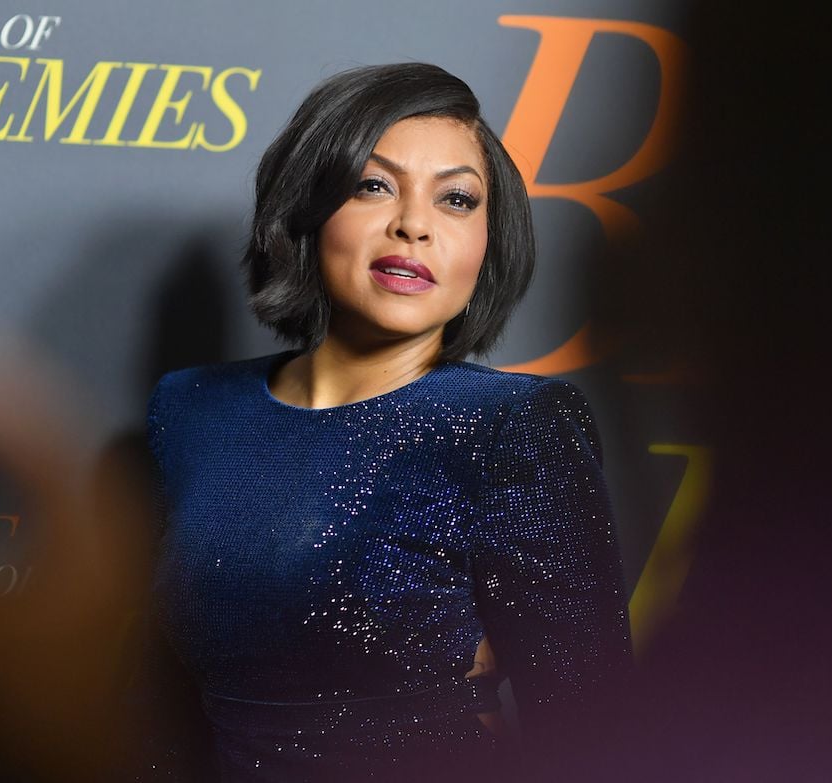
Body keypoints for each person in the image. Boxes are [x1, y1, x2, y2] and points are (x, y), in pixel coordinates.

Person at [143, 62, 632, 782]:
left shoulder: (510, 426)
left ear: (487, 244)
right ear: (307, 205)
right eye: (374, 186)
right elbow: (149, 694)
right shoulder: (190, 409)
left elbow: (594, 731)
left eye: (458, 200)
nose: (414, 225)